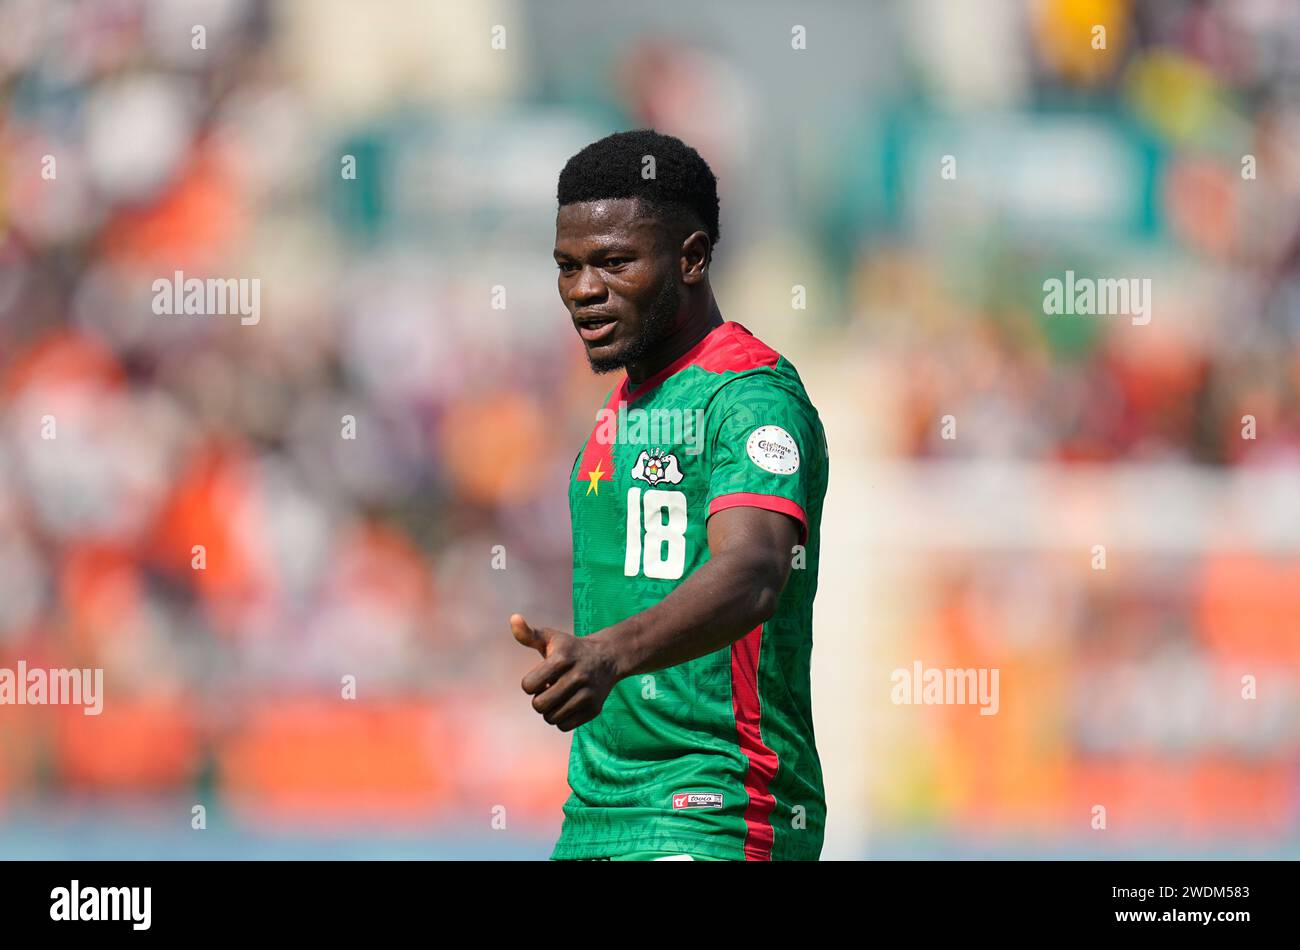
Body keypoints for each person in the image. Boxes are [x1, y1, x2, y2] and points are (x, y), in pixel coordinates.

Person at [512, 129, 829, 861]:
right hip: (597, 814)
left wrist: (609, 655)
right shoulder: (623, 408)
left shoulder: (749, 398)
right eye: (568, 266)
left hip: (712, 809)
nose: (584, 290)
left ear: (691, 258)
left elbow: (753, 573)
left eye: (614, 262)